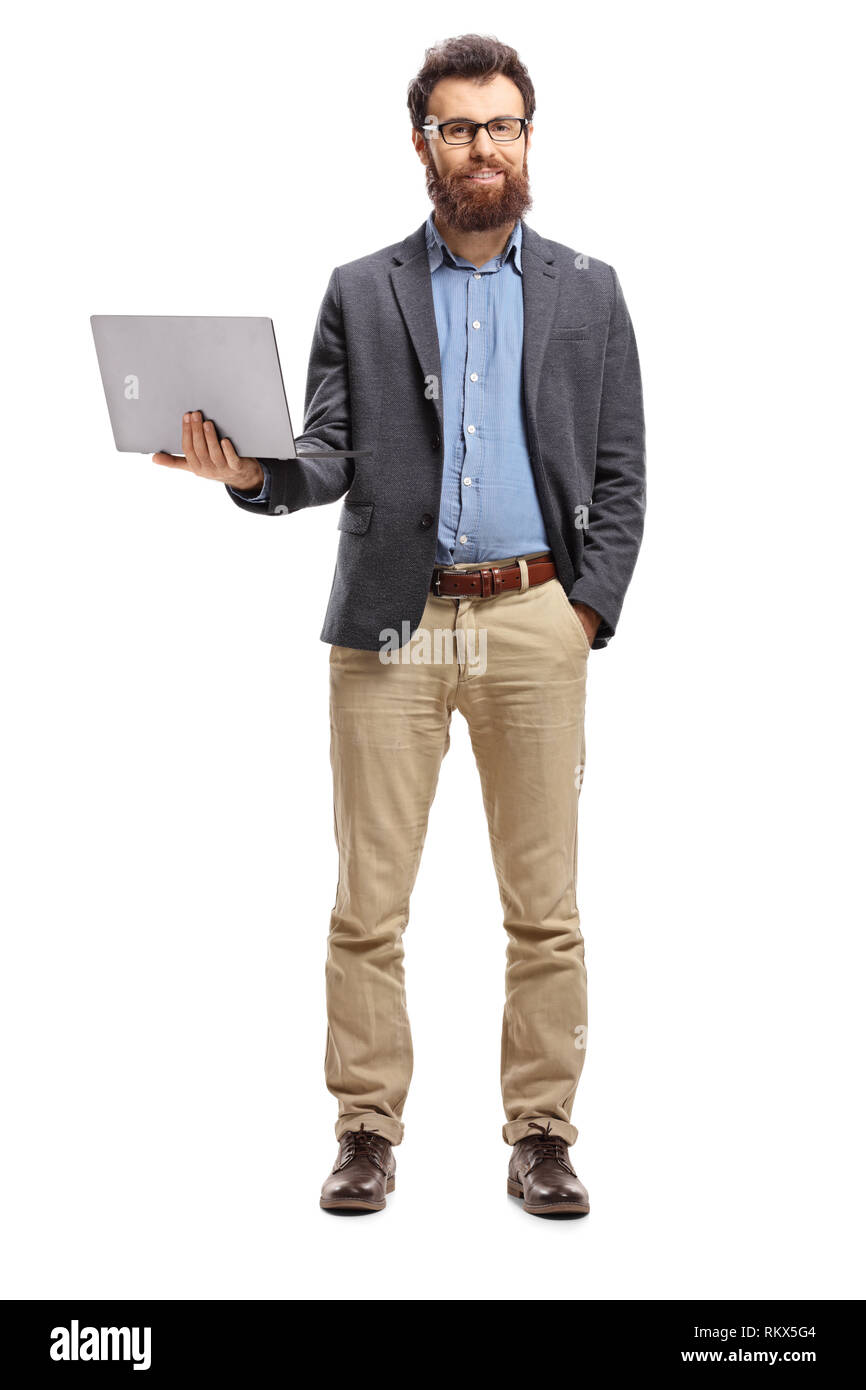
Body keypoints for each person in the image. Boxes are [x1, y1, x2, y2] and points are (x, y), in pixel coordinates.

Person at [153, 34, 646, 1218]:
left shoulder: (587, 289)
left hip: (532, 617)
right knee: (368, 897)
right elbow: (326, 454)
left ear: (529, 137)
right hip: (391, 626)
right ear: (419, 142)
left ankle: (540, 1132)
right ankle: (366, 1128)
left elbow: (621, 470)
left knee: (544, 903)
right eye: (460, 126)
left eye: (504, 125)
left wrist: (584, 611)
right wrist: (249, 475)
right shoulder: (363, 289)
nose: (484, 146)